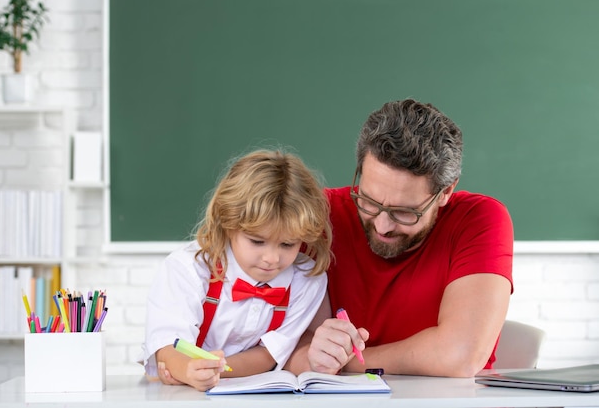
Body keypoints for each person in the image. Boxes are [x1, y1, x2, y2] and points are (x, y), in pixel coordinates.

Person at [285, 99, 514, 378]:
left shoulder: (479, 219)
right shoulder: (316, 214)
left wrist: (342, 362)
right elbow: (273, 349)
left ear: (445, 192)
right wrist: (310, 356)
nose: (382, 225)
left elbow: (459, 355)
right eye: (368, 200)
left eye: (404, 212)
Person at [141, 149, 332, 391]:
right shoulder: (187, 268)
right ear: (229, 224)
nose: (272, 258)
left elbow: (268, 355)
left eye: (287, 244)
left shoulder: (306, 279)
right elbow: (167, 348)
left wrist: (215, 370)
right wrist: (187, 370)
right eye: (257, 241)